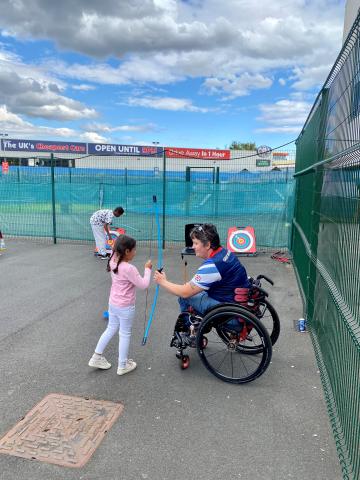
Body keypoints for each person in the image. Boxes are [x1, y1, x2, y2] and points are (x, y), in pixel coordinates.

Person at [88, 235, 152, 375]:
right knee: (125, 334)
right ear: (127, 251)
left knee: (110, 328)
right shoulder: (129, 268)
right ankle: (122, 365)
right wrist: (147, 269)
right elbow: (144, 284)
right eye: (134, 250)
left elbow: (114, 249)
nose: (135, 252)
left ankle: (96, 357)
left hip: (113, 303)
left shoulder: (113, 259)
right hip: (125, 306)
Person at [153, 223, 250, 315]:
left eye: (195, 243)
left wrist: (162, 281)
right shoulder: (225, 252)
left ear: (207, 245)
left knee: (184, 297)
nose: (192, 247)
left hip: (229, 311)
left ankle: (188, 330)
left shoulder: (212, 265)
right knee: (194, 291)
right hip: (238, 304)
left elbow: (185, 292)